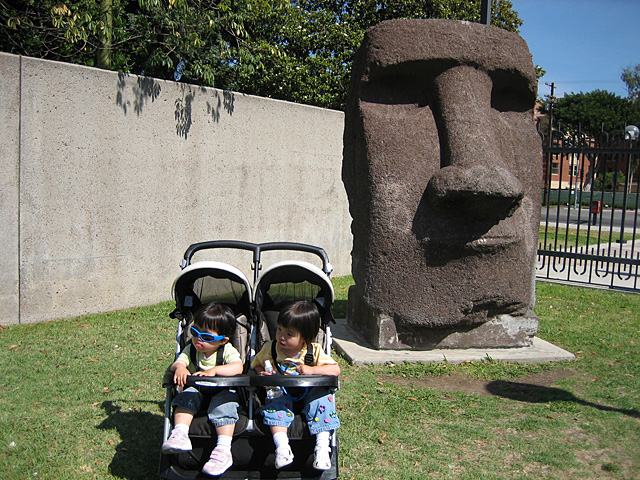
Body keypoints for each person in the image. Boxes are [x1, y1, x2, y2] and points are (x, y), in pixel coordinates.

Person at [251, 300, 340, 471]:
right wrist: (263, 372)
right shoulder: (271, 348)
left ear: (305, 337)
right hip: (281, 392)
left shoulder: (313, 351)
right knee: (275, 407)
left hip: (308, 393)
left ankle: (322, 447)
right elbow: (257, 364)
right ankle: (282, 447)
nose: (281, 336)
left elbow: (335, 369)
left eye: (289, 334)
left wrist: (312, 370)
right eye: (279, 330)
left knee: (323, 402)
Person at [162, 303, 243, 477]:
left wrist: (214, 371)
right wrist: (180, 368)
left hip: (222, 391)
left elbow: (238, 367)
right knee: (186, 397)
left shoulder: (226, 350)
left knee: (225, 406)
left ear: (222, 340)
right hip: (196, 390)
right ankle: (180, 433)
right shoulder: (191, 349)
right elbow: (179, 361)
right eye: (195, 332)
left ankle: (223, 450)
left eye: (206, 336)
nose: (199, 339)